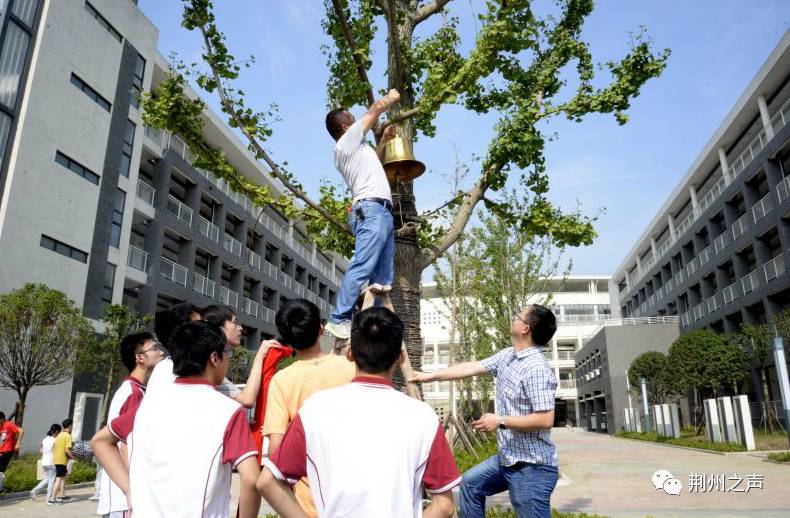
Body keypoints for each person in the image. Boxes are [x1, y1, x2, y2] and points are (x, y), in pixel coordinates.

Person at [258, 307, 459, 518]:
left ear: (350, 353)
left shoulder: (314, 409)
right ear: (400, 358)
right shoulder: (423, 416)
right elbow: (444, 506)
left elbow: (268, 482)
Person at [93, 321, 261, 518]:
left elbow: (100, 441)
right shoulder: (228, 410)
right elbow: (251, 479)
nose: (228, 360)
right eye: (228, 354)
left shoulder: (148, 404)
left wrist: (129, 489)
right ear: (214, 358)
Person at [411, 304, 559, 518]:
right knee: (470, 485)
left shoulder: (536, 368)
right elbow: (469, 367)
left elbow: (545, 419)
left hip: (532, 467)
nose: (513, 317)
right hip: (508, 458)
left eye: (518, 315)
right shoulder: (508, 356)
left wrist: (500, 420)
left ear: (525, 328)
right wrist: (428, 376)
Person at [261, 299, 355, 517]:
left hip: (309, 500)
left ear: (286, 339)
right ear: (321, 329)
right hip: (355, 493)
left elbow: (276, 447)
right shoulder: (350, 368)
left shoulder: (282, 380)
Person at [323, 89, 401, 340]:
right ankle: (339, 319)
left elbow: (376, 164)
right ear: (346, 126)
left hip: (381, 211)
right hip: (371, 209)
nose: (358, 118)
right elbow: (375, 110)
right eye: (352, 117)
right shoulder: (345, 142)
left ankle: (374, 328)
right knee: (364, 265)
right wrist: (390, 99)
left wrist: (383, 143)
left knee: (382, 279)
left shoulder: (357, 147)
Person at [96, 332, 163, 518]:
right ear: (139, 357)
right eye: (155, 348)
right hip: (125, 500)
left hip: (124, 496)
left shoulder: (138, 390)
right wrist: (134, 490)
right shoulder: (134, 393)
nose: (160, 352)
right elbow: (127, 444)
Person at [30, 423, 60, 503]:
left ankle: (34, 491)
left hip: (44, 462)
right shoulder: (55, 440)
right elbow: (57, 451)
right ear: (57, 431)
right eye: (59, 432)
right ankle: (49, 497)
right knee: (52, 480)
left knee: (47, 479)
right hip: (51, 462)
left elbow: (41, 450)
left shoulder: (45, 439)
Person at [51, 418, 75, 504]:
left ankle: (61, 496)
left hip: (57, 459)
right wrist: (73, 457)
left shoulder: (60, 435)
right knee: (58, 479)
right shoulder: (68, 436)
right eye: (72, 425)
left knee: (61, 478)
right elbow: (67, 450)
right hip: (62, 460)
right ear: (70, 426)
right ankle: (52, 499)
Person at [0, 410, 23, 493]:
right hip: (3, 450)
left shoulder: (9, 424)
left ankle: (1, 488)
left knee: (1, 469)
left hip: (8, 450)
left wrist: (18, 443)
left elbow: (21, 431)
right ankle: (1, 487)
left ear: (2, 419)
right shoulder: (1, 426)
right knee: (1, 470)